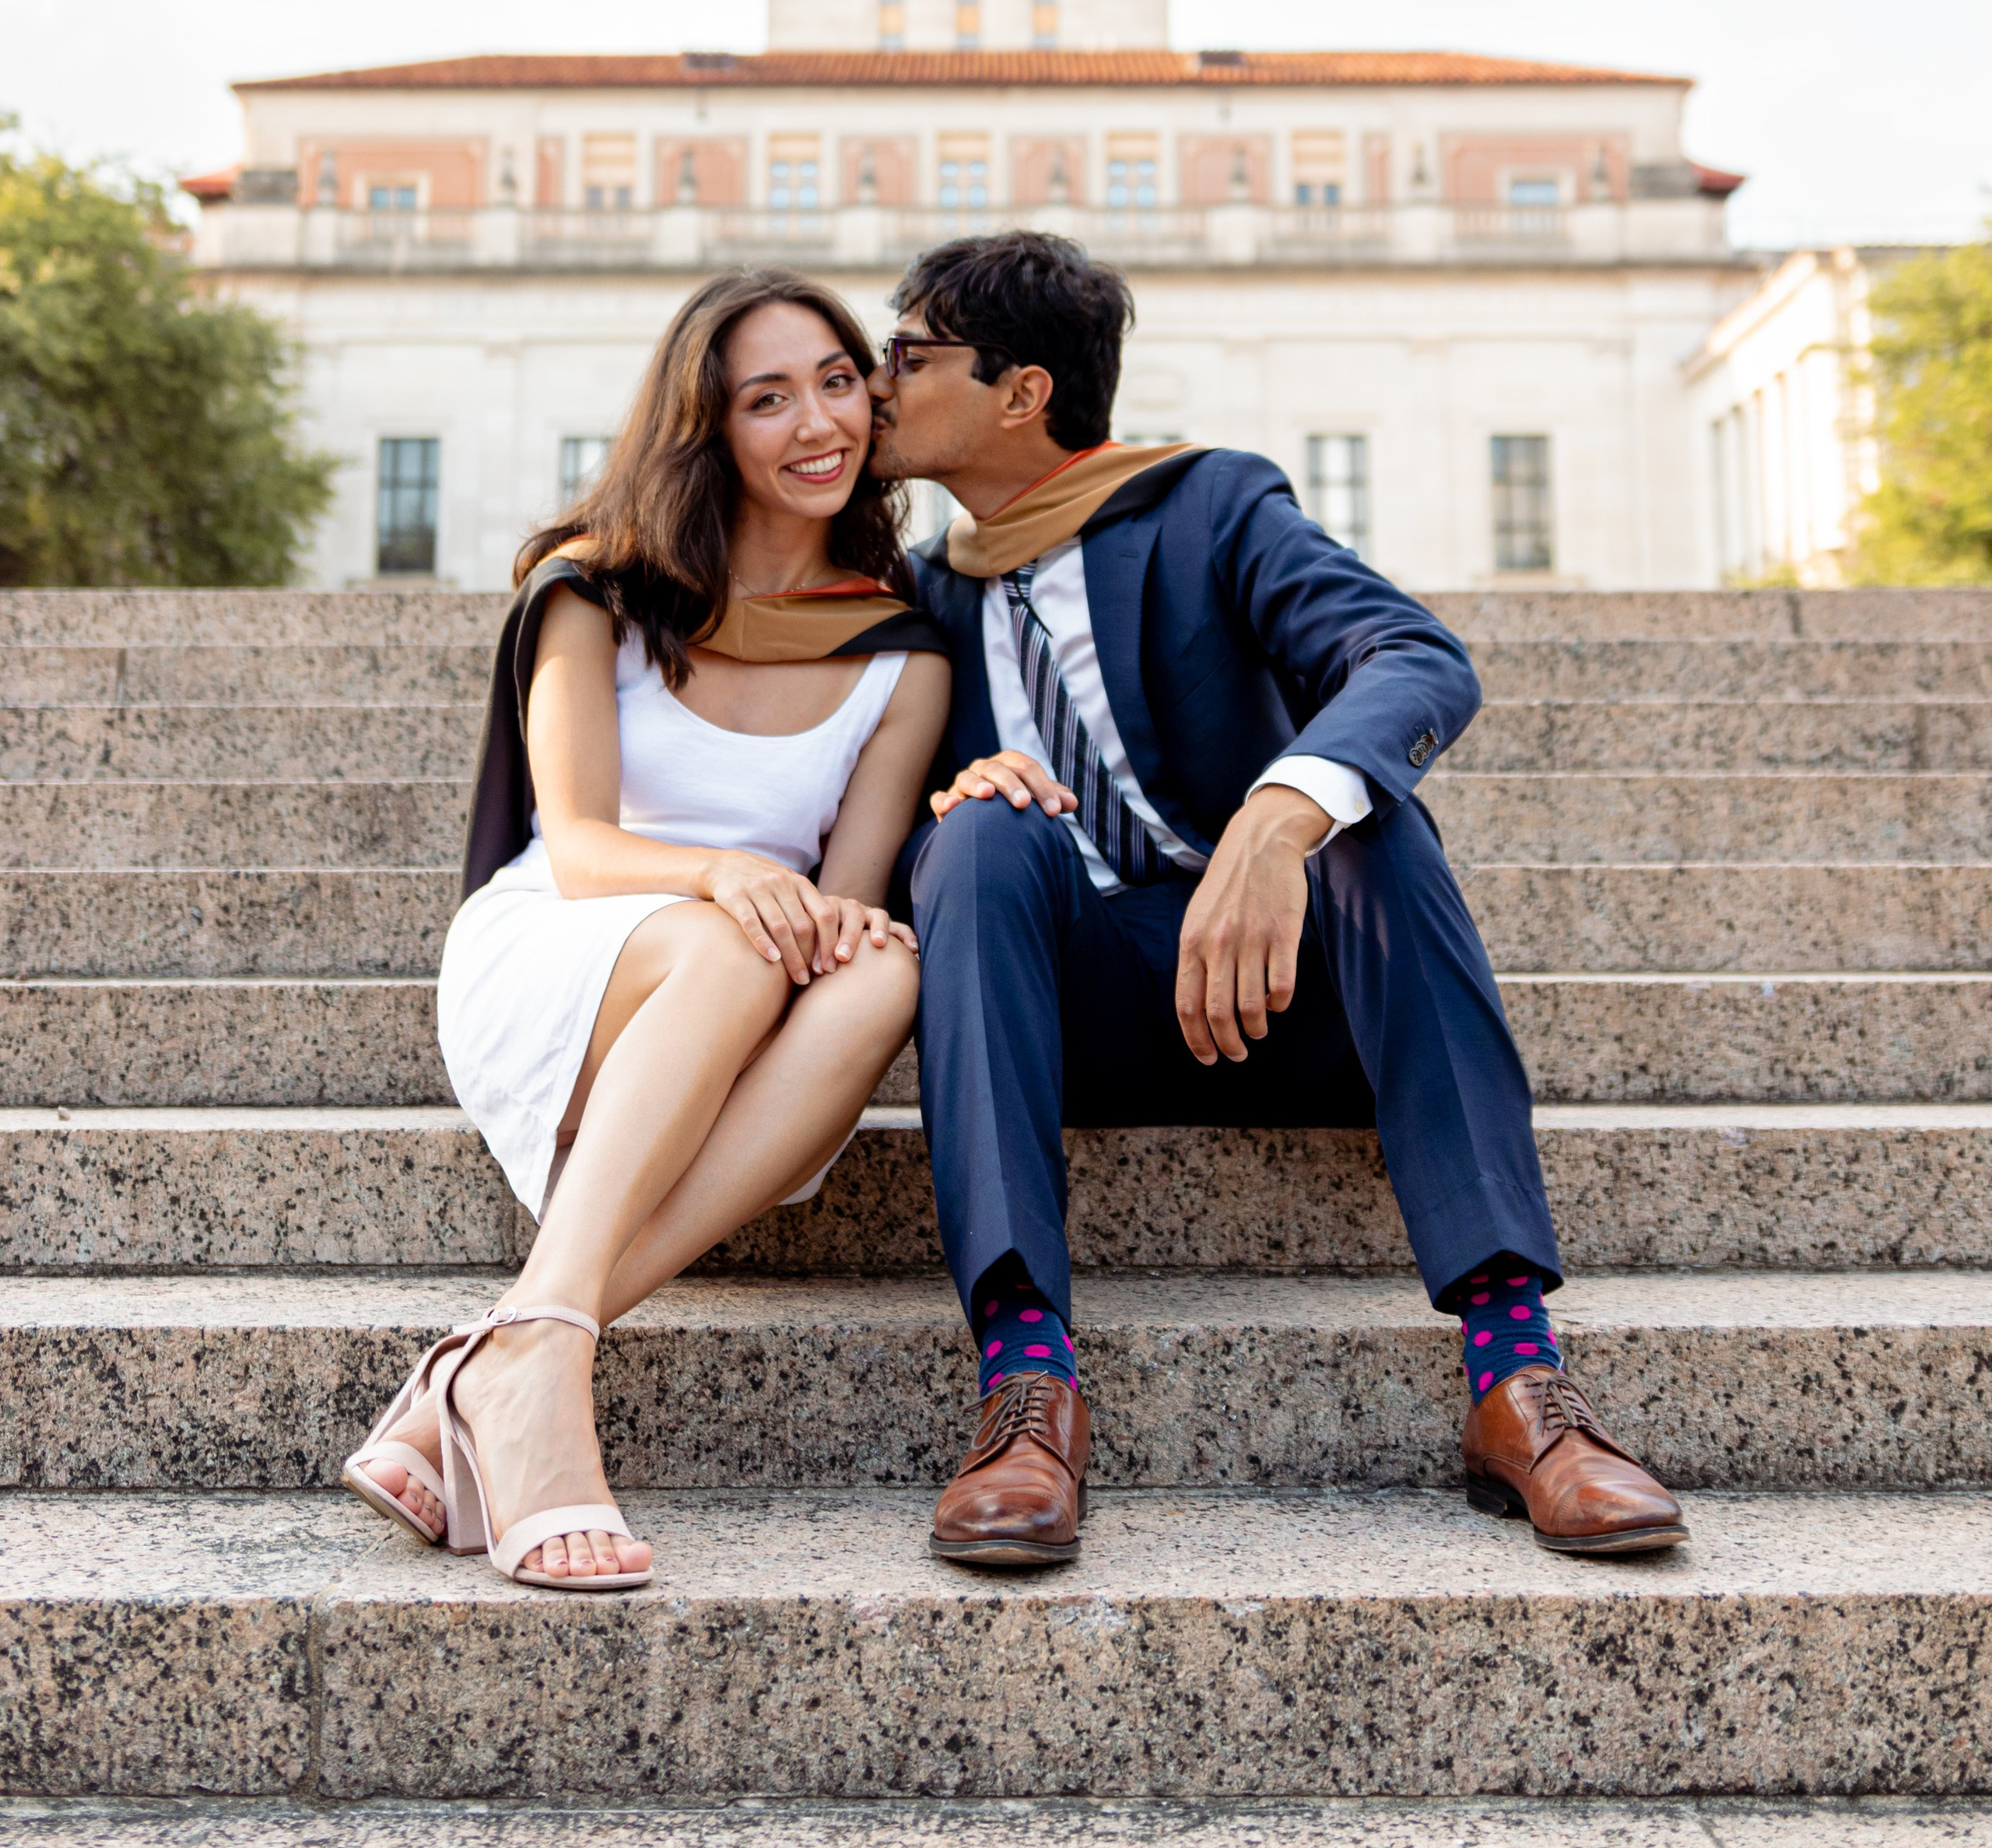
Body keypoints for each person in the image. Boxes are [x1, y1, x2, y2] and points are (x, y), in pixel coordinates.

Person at [867, 229, 1685, 1572]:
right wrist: (962, 794)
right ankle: (1027, 1391)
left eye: (910, 355)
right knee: (975, 835)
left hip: (1288, 1004)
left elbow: (1412, 655)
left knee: (1373, 820)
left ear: (1022, 393)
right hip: (1065, 1021)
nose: (878, 382)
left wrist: (1278, 813)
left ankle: (1517, 1380)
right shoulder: (913, 598)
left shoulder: (1208, 507)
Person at [341, 269, 949, 1590]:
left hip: (739, 1027)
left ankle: (512, 1347)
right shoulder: (596, 594)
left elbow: (846, 900)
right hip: (568, 949)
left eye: (839, 383)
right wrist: (724, 872)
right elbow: (578, 844)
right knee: (725, 935)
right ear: (708, 428)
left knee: (886, 968)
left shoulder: (902, 651)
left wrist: (820, 917)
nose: (817, 424)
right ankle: (540, 1375)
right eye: (767, 398)